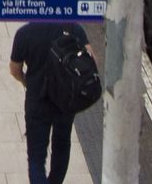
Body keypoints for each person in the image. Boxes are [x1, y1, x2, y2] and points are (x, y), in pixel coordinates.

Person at [9, 20, 97, 184]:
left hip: (37, 100)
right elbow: (92, 61)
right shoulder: (73, 28)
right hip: (66, 101)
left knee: (36, 156)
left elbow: (14, 70)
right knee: (62, 144)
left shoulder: (24, 33)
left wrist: (27, 83)